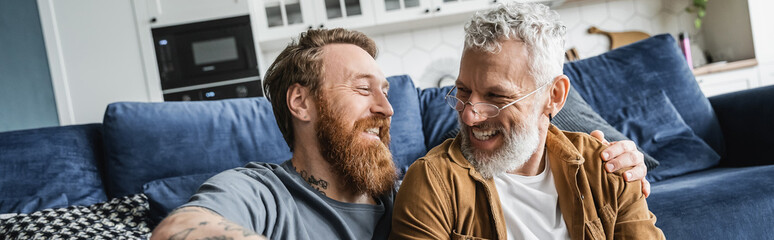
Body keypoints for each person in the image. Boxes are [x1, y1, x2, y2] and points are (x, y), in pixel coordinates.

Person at [150, 28, 649, 240]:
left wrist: (623, 157)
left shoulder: (412, 188)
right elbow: (177, 231)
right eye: (363, 89)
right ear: (301, 102)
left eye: (386, 91)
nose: (387, 108)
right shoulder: (262, 191)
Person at [390, 2, 664, 240]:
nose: (469, 115)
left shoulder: (608, 169)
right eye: (463, 91)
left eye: (495, 96)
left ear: (554, 96)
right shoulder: (433, 182)